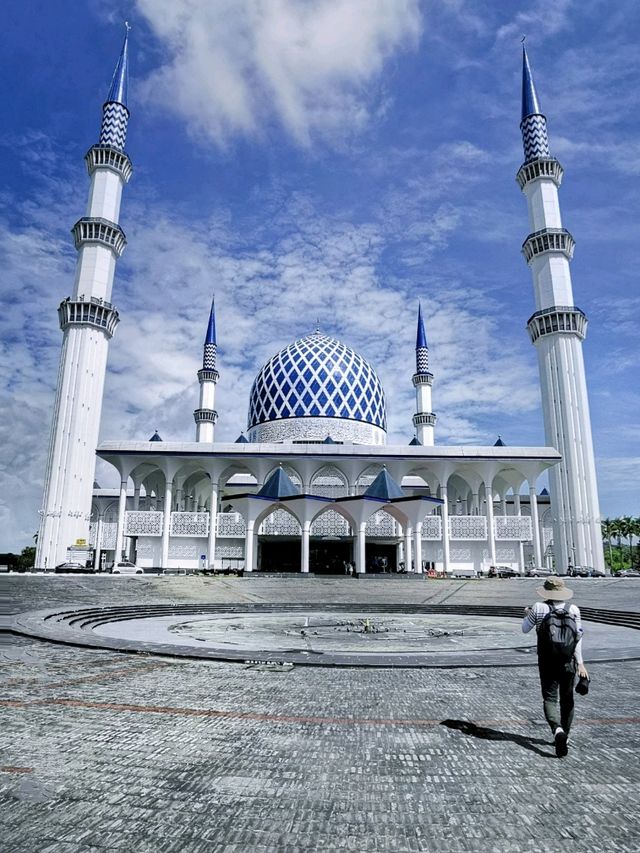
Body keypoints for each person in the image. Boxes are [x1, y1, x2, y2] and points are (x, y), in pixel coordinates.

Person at [522, 576, 589, 758]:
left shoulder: (539, 607)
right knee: (567, 699)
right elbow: (578, 637)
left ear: (546, 591)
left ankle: (557, 730)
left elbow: (524, 628)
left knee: (550, 698)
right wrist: (580, 663)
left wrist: (528, 614)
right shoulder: (573, 609)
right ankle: (565, 735)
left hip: (546, 661)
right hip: (568, 662)